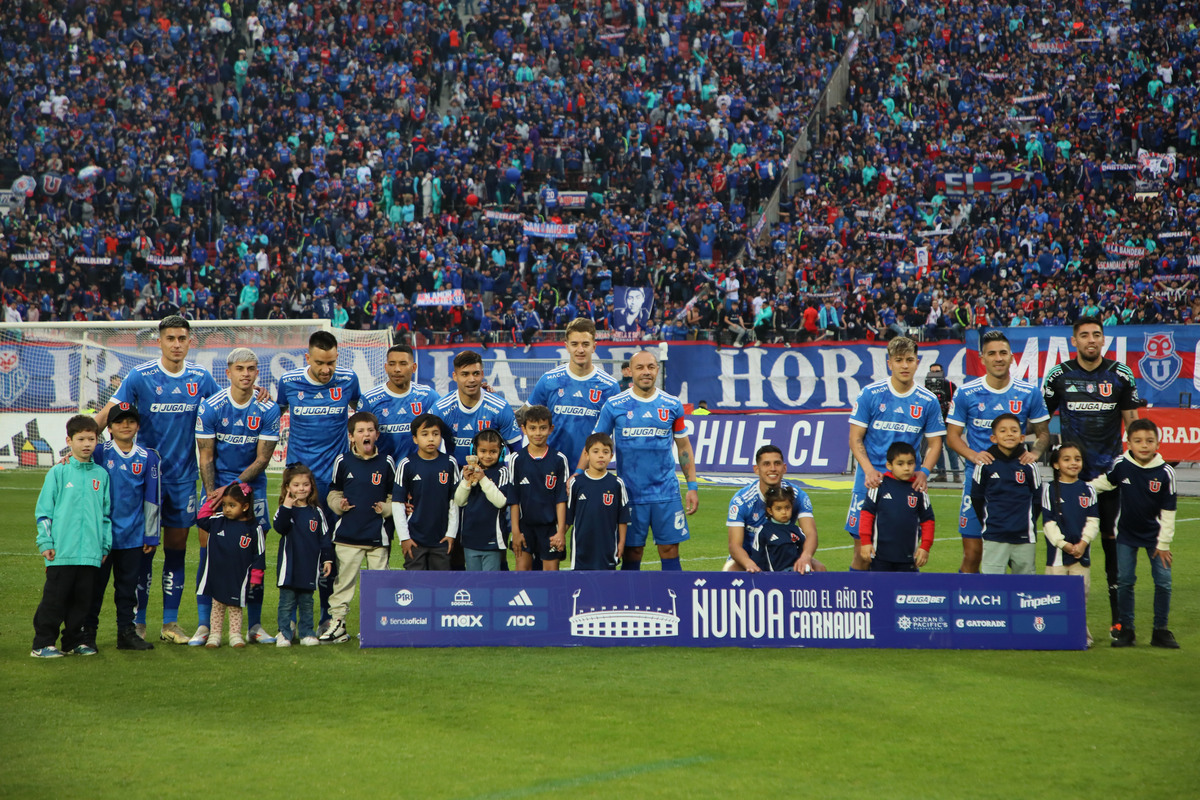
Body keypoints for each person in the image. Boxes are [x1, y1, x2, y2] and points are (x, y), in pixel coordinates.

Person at [95, 315, 220, 644]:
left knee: (176, 551)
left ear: (190, 341)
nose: (177, 344)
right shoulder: (140, 377)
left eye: (182, 338)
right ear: (159, 342)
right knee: (143, 553)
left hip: (182, 479)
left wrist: (257, 396)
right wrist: (82, 437)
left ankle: (170, 623)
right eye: (171, 338)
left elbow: (226, 408)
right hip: (144, 481)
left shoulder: (201, 378)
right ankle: (137, 623)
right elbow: (109, 412)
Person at [1043, 316, 1141, 639]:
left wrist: (1135, 466)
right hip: (1071, 483)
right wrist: (1041, 453)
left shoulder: (1120, 375)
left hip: (1108, 480)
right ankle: (1062, 623)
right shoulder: (1059, 375)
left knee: (1112, 548)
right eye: (1084, 335)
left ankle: (1119, 624)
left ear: (1104, 340)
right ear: (1074, 341)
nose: (1090, 340)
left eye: (1096, 335)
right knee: (1066, 547)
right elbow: (1041, 421)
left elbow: (1133, 425)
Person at [192, 348, 281, 645]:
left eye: (251, 368)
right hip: (215, 489)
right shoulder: (211, 407)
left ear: (258, 373)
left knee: (254, 556)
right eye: (240, 368)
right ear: (227, 372)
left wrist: (233, 490)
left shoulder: (268, 408)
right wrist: (214, 494)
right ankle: (205, 625)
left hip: (250, 490)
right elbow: (206, 455)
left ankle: (253, 625)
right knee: (209, 556)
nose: (246, 373)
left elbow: (262, 460)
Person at [276, 329, 361, 631]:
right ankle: (290, 619)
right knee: (297, 549)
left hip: (334, 482)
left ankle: (327, 615)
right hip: (299, 483)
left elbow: (361, 414)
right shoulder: (288, 382)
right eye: (320, 363)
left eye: (332, 363)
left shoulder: (348, 381)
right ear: (307, 358)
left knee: (329, 549)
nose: (326, 370)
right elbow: (275, 412)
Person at [946, 331, 1050, 573]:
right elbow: (952, 436)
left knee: (1018, 558)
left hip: (1016, 483)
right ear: (982, 358)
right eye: (991, 353)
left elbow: (1043, 433)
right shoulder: (966, 393)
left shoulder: (1029, 392)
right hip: (978, 480)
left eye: (1003, 353)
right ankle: (969, 608)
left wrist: (1034, 453)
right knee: (972, 554)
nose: (998, 358)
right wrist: (974, 456)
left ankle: (1015, 607)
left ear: (1012, 357)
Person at [593, 350, 699, 571]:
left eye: (651, 367)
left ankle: (675, 599)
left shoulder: (672, 404)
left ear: (657, 370)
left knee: (670, 550)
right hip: (629, 493)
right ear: (630, 371)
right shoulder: (614, 404)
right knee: (632, 551)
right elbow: (596, 444)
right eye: (640, 367)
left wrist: (692, 486)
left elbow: (684, 446)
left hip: (666, 493)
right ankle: (630, 602)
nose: (646, 372)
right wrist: (580, 475)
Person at [846, 337, 945, 570]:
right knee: (862, 554)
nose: (904, 365)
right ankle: (861, 605)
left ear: (917, 362)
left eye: (909, 360)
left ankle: (899, 604)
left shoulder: (927, 400)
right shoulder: (871, 394)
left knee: (904, 552)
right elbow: (855, 437)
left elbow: (935, 443)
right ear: (889, 363)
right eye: (898, 360)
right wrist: (869, 471)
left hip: (906, 484)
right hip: (869, 482)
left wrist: (924, 472)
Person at [1089, 420, 1179, 649]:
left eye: (1149, 441)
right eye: (1138, 441)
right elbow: (1105, 483)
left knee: (1164, 583)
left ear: (1158, 443)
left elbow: (1169, 511)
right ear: (1128, 443)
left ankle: (1160, 630)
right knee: (1125, 581)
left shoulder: (1166, 472)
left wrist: (1164, 543)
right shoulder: (1122, 464)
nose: (1144, 445)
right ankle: (1127, 630)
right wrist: (1080, 488)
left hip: (1156, 539)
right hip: (1126, 536)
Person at [32, 416, 112, 658]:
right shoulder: (58, 472)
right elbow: (44, 511)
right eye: (81, 439)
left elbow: (106, 515)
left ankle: (73, 642)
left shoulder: (101, 475)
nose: (86, 444)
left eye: (91, 439)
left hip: (90, 553)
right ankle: (42, 643)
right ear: (69, 440)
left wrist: (104, 546)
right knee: (55, 601)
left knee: (81, 602)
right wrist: (46, 542)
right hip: (62, 552)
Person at [85, 404, 159, 652]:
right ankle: (88, 634)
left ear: (138, 425)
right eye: (118, 421)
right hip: (101, 537)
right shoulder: (99, 453)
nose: (125, 425)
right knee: (94, 589)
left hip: (133, 537)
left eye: (130, 421)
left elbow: (152, 498)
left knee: (127, 591)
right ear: (109, 427)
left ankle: (126, 634)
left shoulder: (148, 457)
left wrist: (151, 533)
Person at [321, 412, 396, 644]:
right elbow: (334, 491)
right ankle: (338, 624)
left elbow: (396, 496)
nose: (366, 434)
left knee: (378, 583)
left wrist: (386, 508)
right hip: (348, 535)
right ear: (351, 436)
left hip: (377, 535)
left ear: (377, 434)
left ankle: (375, 626)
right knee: (343, 582)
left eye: (370, 430)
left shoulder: (387, 462)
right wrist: (338, 505)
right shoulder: (342, 461)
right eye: (361, 431)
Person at [527, 317, 621, 470]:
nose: (580, 350)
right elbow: (524, 416)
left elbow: (611, 434)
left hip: (591, 472)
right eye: (575, 344)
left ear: (594, 347)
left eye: (585, 344)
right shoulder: (549, 380)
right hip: (551, 468)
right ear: (567, 346)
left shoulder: (609, 386)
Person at [725, 445, 820, 573]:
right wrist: (749, 564)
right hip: (750, 557)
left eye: (777, 463)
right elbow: (734, 545)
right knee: (730, 571)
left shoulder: (798, 496)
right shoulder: (741, 501)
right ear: (757, 469)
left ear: (784, 468)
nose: (773, 469)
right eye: (766, 464)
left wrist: (805, 557)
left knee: (819, 568)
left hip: (784, 557)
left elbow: (811, 533)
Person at [195, 483, 266, 649]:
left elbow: (259, 554)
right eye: (225, 505)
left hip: (238, 576)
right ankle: (214, 636)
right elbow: (201, 519)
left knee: (235, 608)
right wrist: (212, 501)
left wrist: (256, 576)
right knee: (217, 607)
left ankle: (235, 635)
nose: (227, 509)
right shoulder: (217, 521)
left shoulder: (254, 529)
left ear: (245, 506)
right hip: (218, 575)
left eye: (232, 505)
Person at [1042, 443, 1099, 647]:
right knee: (1054, 597)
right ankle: (1054, 635)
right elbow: (1048, 523)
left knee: (1079, 598)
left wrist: (1083, 544)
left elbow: (1093, 521)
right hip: (1058, 556)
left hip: (1081, 556)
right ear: (1056, 464)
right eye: (1066, 459)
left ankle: (1081, 637)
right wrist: (1063, 544)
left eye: (1077, 459)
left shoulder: (1088, 488)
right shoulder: (1049, 489)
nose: (1073, 463)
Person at [970, 415, 1042, 575]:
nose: (1009, 434)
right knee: (992, 585)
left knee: (1024, 586)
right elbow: (976, 498)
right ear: (994, 438)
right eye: (1003, 431)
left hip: (1024, 535)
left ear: (1022, 437)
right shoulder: (985, 463)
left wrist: (1027, 522)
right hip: (995, 534)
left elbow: (1038, 499)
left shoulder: (1029, 464)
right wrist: (990, 523)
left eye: (1014, 430)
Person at [272, 464, 333, 647]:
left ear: (311, 486)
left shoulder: (316, 512)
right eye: (296, 485)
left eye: (305, 485)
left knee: (307, 602)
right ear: (287, 487)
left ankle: (307, 632)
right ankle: (284, 633)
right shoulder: (284, 510)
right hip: (289, 567)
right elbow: (279, 528)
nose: (301, 489)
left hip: (309, 566)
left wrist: (327, 559)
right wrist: (287, 507)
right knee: (286, 603)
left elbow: (324, 538)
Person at [393, 413, 461, 571]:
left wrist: (451, 534)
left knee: (441, 587)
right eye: (425, 434)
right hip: (415, 540)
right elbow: (397, 504)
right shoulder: (407, 464)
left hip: (442, 539)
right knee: (415, 587)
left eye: (435, 434)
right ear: (415, 438)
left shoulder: (449, 463)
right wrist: (404, 538)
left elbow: (454, 502)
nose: (431, 439)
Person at [432, 350, 523, 465]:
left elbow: (517, 452)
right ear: (455, 376)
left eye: (476, 373)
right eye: (465, 374)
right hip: (455, 479)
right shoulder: (441, 409)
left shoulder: (500, 407)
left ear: (482, 374)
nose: (472, 379)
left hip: (492, 480)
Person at [508, 405, 570, 571]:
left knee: (551, 576)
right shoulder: (516, 459)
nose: (537, 433)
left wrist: (561, 532)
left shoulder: (559, 459)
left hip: (550, 528)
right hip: (524, 527)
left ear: (551, 429)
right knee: (522, 574)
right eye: (532, 428)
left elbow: (561, 498)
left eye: (543, 428)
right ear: (524, 429)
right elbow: (514, 499)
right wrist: (515, 531)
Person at [857, 442, 935, 572]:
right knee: (881, 590)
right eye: (900, 464)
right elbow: (866, 514)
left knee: (906, 590)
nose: (906, 468)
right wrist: (865, 542)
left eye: (910, 463)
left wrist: (925, 547)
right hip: (880, 556)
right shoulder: (879, 486)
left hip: (909, 558)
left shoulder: (919, 489)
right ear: (889, 465)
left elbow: (928, 520)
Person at [360, 344, 441, 464]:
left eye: (403, 364)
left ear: (414, 367)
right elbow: (360, 439)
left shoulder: (428, 396)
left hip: (418, 471)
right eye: (392, 364)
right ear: (386, 367)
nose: (397, 369)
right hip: (382, 473)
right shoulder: (370, 399)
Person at [567, 433, 631, 571]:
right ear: (586, 454)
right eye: (595, 452)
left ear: (611, 456)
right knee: (580, 585)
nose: (601, 456)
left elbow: (623, 517)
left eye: (605, 452)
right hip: (581, 546)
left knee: (606, 585)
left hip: (607, 546)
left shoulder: (617, 484)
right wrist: (559, 534)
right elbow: (569, 516)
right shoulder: (576, 483)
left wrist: (621, 542)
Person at [453, 429, 512, 571]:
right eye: (483, 451)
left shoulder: (502, 471)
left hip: (492, 538)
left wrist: (483, 479)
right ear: (474, 451)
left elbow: (501, 502)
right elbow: (459, 501)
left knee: (489, 583)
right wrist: (466, 482)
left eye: (493, 452)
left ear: (501, 452)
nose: (487, 456)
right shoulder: (466, 471)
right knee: (473, 583)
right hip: (470, 537)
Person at [753, 486, 826, 573]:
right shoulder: (764, 531)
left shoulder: (797, 530)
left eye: (787, 508)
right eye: (778, 509)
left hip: (796, 574)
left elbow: (803, 552)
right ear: (770, 511)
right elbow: (757, 557)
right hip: (774, 576)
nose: (784, 512)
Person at [923, 363, 958, 481]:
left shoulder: (950, 386)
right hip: (934, 422)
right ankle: (941, 473)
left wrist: (949, 405)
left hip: (948, 421)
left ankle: (956, 474)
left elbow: (957, 403)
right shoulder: (926, 387)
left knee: (951, 448)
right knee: (936, 448)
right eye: (932, 372)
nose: (935, 374)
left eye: (937, 371)